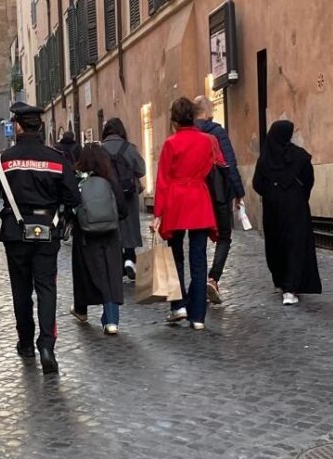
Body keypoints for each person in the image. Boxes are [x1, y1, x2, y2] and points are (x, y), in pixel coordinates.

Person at [0, 102, 81, 374]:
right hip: (47, 229)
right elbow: (74, 197)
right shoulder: (57, 158)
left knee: (21, 290)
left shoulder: (2, 161)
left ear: (16, 126)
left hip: (15, 232)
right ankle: (47, 345)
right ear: (40, 126)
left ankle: (26, 342)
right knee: (46, 287)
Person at [150, 98, 218, 331]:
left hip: (176, 201)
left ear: (174, 120)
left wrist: (157, 213)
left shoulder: (171, 144)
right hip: (199, 198)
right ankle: (198, 316)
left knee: (176, 256)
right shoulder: (208, 141)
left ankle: (178, 305)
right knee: (198, 259)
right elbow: (213, 165)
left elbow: (163, 180)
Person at [252, 120, 322, 305]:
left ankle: (282, 282)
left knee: (276, 244)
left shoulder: (265, 159)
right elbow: (309, 179)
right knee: (295, 244)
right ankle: (291, 288)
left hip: (272, 207)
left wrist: (271, 194)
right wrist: (298, 195)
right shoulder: (299, 157)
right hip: (295, 206)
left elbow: (257, 184)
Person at [70, 144, 128, 335]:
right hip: (110, 235)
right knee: (111, 274)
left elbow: (72, 209)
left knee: (85, 273)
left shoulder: (78, 182)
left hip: (86, 237)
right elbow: (123, 210)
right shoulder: (110, 181)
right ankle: (111, 320)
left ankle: (81, 310)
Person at [194, 96, 245, 304]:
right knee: (224, 236)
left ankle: (198, 286)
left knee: (198, 240)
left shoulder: (187, 134)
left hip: (196, 196)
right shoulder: (217, 132)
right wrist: (238, 192)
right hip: (219, 194)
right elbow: (229, 164)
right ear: (208, 111)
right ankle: (213, 279)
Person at [100, 118, 146, 281]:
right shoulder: (129, 148)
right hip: (128, 194)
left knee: (113, 225)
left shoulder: (101, 150)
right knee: (130, 225)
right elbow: (141, 170)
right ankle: (129, 258)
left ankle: (117, 263)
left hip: (108, 194)